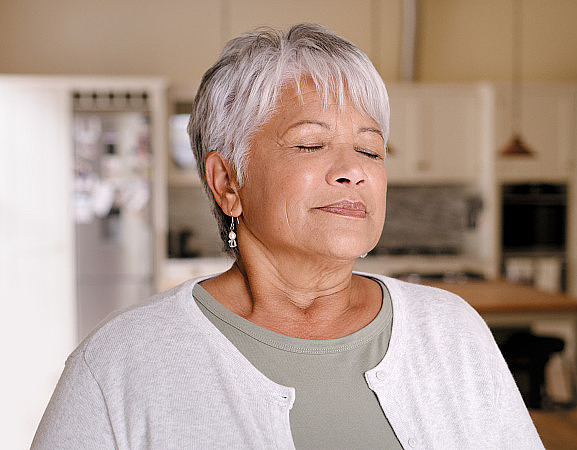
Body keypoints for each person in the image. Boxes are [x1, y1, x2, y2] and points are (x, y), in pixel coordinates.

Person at [33, 24, 544, 449]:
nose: (353, 171)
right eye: (310, 144)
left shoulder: (453, 332)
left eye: (370, 150)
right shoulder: (119, 366)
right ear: (228, 182)